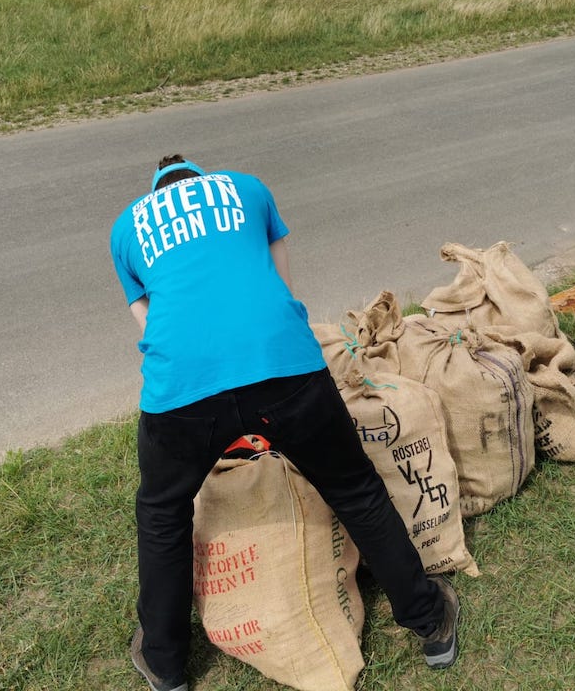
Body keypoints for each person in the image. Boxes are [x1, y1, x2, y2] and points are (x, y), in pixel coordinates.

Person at [110, 154, 461, 691]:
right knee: (355, 489)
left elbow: (151, 323)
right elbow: (282, 288)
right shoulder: (247, 189)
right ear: (204, 177)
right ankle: (429, 621)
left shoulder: (126, 228)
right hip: (282, 365)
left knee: (162, 513)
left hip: (183, 390)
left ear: (154, 190)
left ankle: (164, 661)